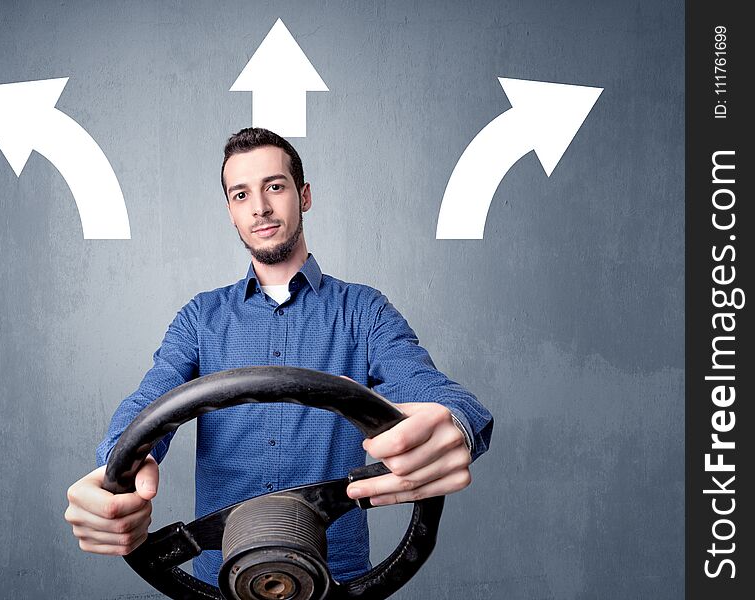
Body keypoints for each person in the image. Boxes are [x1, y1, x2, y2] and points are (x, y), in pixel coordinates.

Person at [64, 127, 493, 585]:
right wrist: (115, 468)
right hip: (217, 584)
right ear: (230, 211)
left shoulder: (364, 311)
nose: (260, 208)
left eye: (274, 186)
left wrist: (453, 425)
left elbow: (438, 395)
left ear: (303, 195)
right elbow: (149, 403)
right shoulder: (199, 318)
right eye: (241, 194)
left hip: (339, 581)